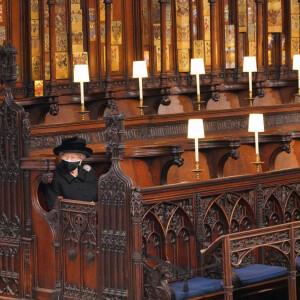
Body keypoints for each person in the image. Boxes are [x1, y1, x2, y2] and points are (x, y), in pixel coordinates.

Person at [46, 137, 98, 210]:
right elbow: (53, 207)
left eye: (73, 157)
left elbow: (97, 196)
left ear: (80, 160)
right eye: (66, 156)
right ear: (61, 157)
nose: (69, 160)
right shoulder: (55, 175)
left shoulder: (88, 171)